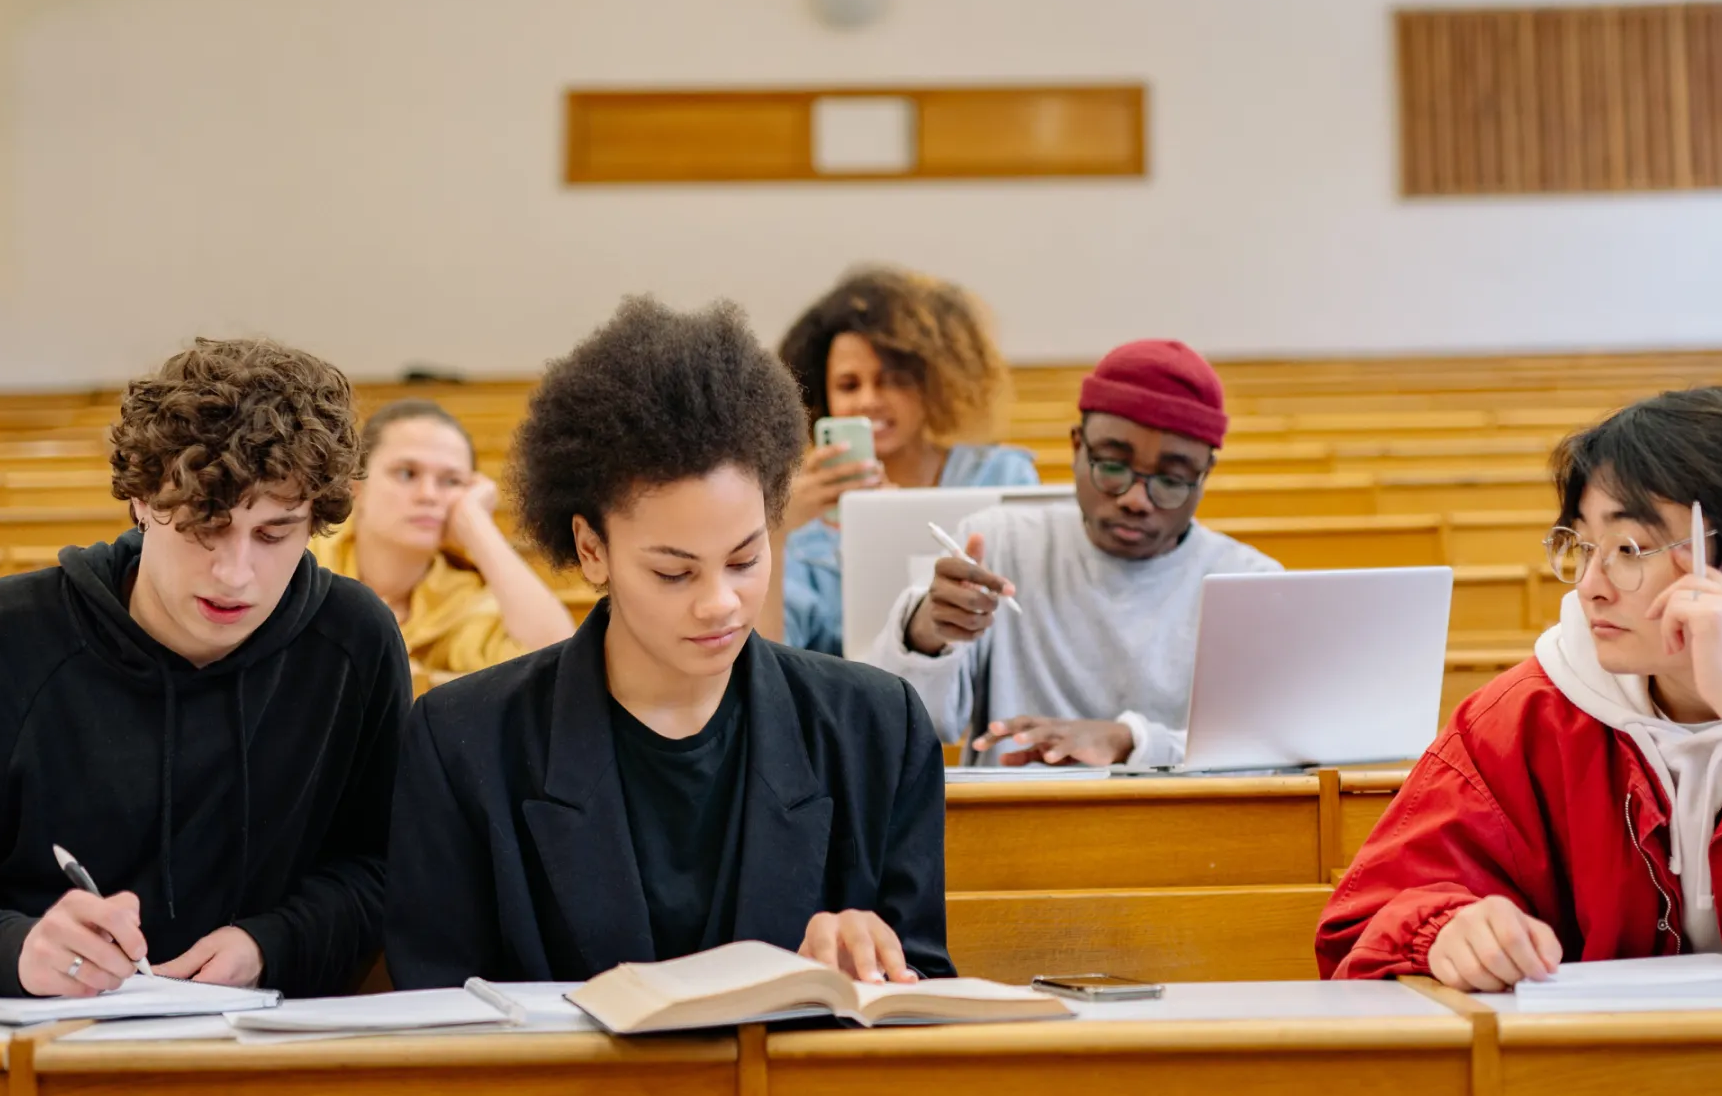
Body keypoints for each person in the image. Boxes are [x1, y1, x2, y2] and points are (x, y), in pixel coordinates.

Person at [384, 297, 952, 987]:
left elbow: (925, 985)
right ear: (591, 549)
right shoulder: (463, 740)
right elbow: (438, 1011)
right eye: (674, 572)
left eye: (745, 559)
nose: (720, 602)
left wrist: (872, 963)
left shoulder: (877, 726)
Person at [0, 339, 410, 999]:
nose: (235, 574)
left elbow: (385, 865)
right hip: (35, 1035)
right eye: (205, 525)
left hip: (266, 1034)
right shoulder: (3, 637)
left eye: (273, 534)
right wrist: (14, 949)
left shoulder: (355, 642)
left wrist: (272, 943)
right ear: (141, 501)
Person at [1317, 387, 1722, 989]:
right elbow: (1365, 922)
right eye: (1583, 547)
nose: (1590, 586)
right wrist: (1444, 933)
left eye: (1630, 550)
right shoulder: (1527, 715)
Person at [864, 339, 1278, 767]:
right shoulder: (998, 543)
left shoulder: (1249, 583)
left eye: (1171, 480)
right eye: (1112, 467)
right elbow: (898, 721)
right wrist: (928, 631)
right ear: (1077, 446)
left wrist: (1131, 742)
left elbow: (1275, 749)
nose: (1136, 499)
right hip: (1014, 807)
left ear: (1205, 475)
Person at [775, 267, 1038, 656]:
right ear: (822, 396)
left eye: (894, 380)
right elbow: (771, 654)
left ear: (933, 384)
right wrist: (776, 530)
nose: (868, 401)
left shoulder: (1000, 475)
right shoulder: (803, 513)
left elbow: (1030, 618)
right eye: (849, 385)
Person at [311, 400, 573, 676]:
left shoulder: (457, 600)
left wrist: (477, 525)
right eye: (406, 473)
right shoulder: (303, 559)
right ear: (356, 487)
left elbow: (555, 658)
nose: (429, 495)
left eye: (451, 481)